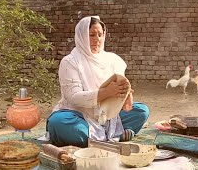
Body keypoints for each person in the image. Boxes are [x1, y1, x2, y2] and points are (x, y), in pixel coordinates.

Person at [46, 16, 150, 148]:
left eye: (100, 35)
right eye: (91, 35)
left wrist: (125, 95)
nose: (97, 39)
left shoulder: (112, 59)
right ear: (82, 36)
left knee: (141, 111)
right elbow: (73, 97)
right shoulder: (70, 61)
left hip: (108, 115)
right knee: (58, 122)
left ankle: (101, 137)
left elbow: (120, 86)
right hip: (78, 115)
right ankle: (115, 135)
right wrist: (105, 93)